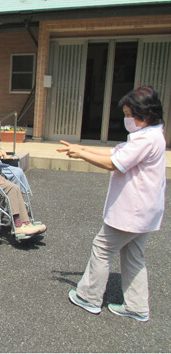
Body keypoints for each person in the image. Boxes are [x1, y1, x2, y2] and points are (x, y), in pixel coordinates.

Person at [57, 86, 166, 322]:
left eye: (129, 114)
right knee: (133, 255)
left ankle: (89, 297)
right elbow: (114, 153)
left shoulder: (146, 139)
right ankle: (137, 307)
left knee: (102, 248)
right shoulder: (151, 135)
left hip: (133, 211)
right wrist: (82, 148)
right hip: (145, 212)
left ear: (145, 114)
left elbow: (113, 164)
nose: (126, 119)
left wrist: (80, 154)